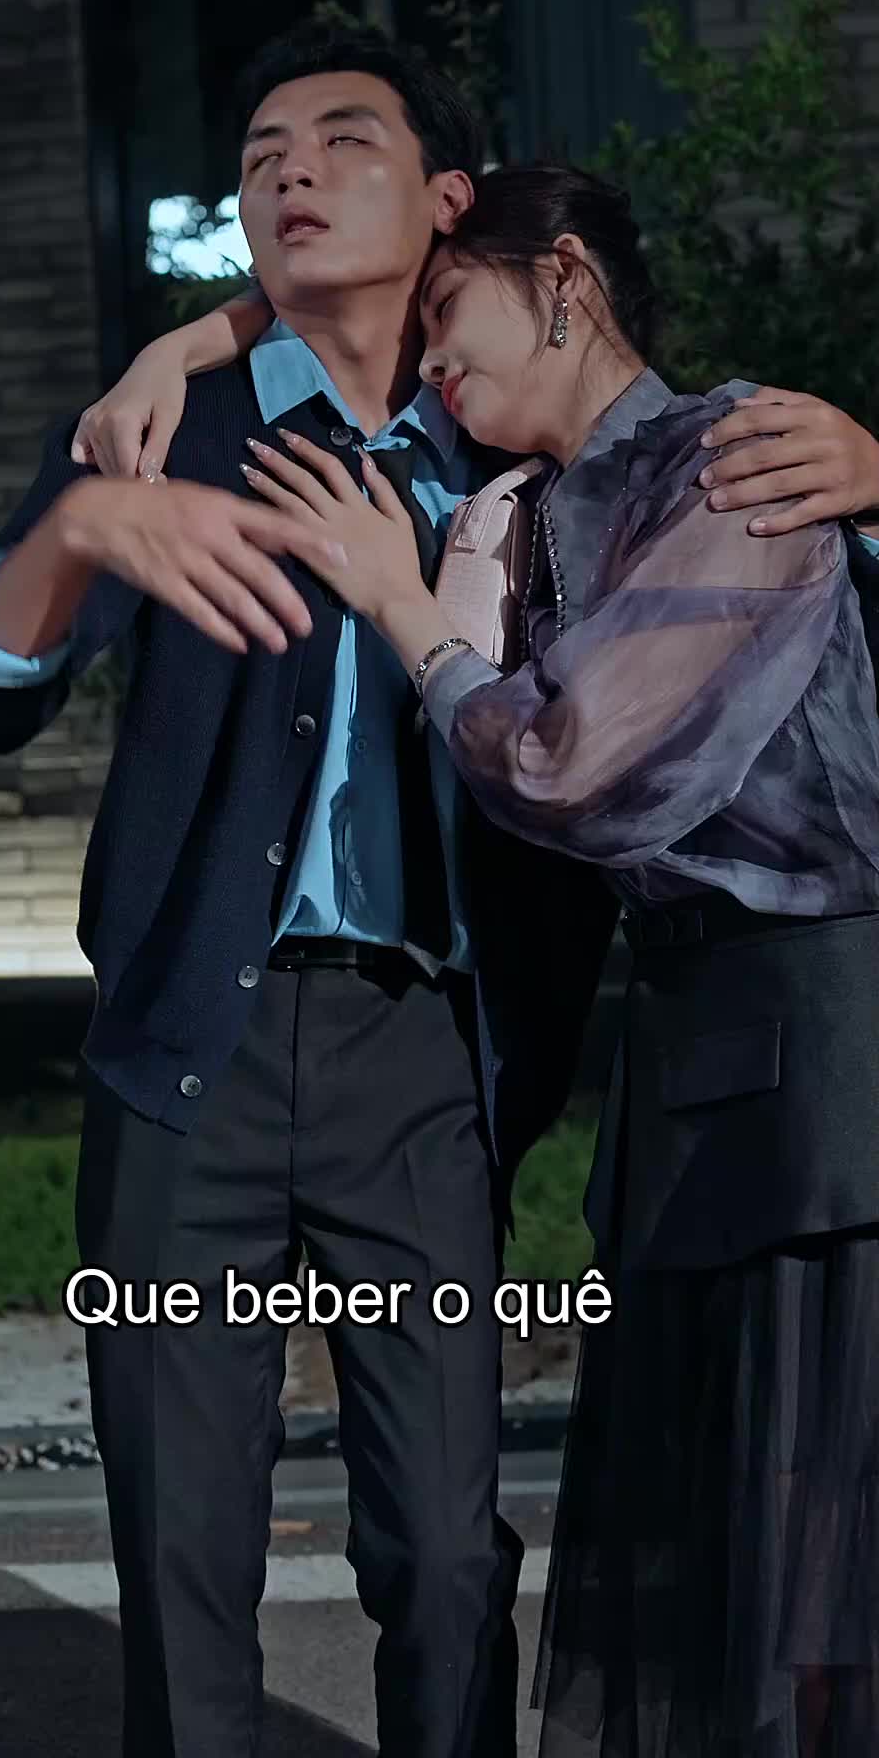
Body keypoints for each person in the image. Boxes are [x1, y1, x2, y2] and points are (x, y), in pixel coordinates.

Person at [0, 18, 879, 1758]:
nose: (290, 168)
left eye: (343, 138)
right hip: (187, 1060)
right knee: (183, 1556)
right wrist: (69, 534)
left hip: (429, 1065)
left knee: (443, 1556)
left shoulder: (521, 459)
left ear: (450, 202)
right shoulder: (164, 433)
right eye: (260, 153)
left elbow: (711, 590)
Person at [224, 158, 879, 1757]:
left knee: (812, 1601)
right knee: (720, 1598)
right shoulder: (527, 510)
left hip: (829, 1088)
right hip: (698, 1082)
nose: (430, 355)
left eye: (451, 307)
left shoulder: (732, 452)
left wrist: (412, 617)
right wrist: (176, 353)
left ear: (565, 281)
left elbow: (575, 765)